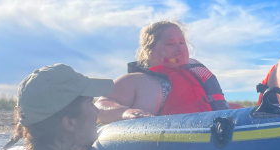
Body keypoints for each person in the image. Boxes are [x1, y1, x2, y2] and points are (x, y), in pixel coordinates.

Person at [96, 21, 229, 123]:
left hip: (211, 138)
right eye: (170, 44)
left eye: (182, 43)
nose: (179, 48)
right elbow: (100, 106)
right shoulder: (137, 80)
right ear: (150, 52)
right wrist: (126, 113)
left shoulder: (197, 76)